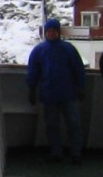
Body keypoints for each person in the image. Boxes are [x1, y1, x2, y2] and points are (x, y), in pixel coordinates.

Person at [27, 18, 88, 163]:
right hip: (49, 95)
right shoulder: (39, 50)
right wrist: (31, 90)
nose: (52, 33)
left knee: (73, 124)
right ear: (45, 32)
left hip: (69, 94)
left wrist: (81, 87)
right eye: (49, 31)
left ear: (58, 32)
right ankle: (56, 152)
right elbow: (33, 72)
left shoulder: (68, 49)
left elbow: (79, 70)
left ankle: (76, 153)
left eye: (54, 31)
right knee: (52, 125)